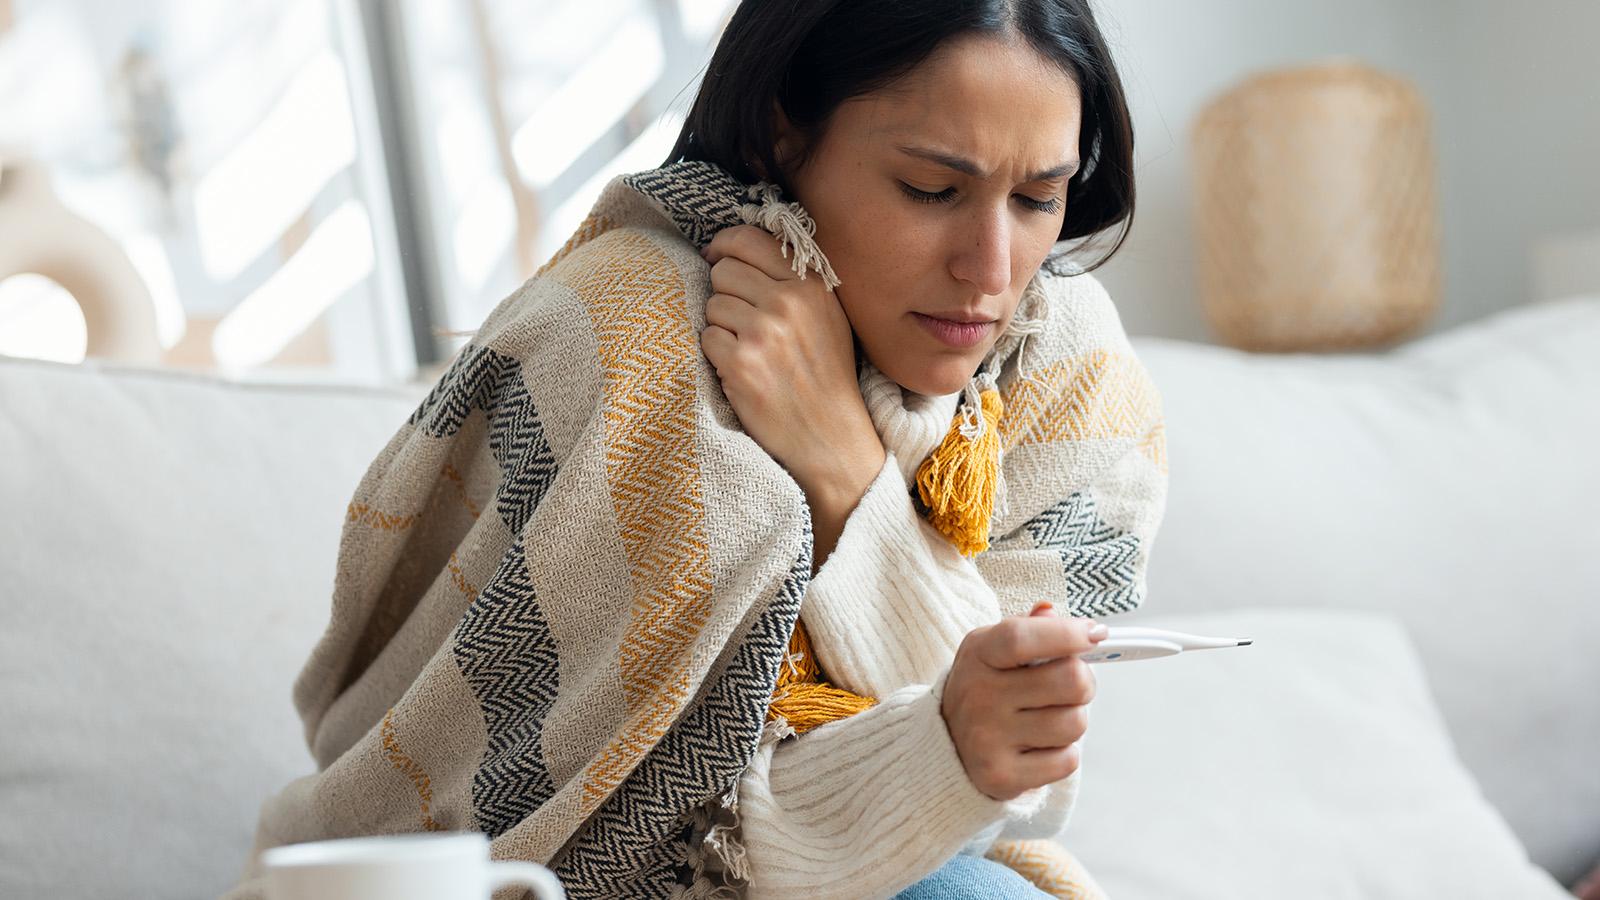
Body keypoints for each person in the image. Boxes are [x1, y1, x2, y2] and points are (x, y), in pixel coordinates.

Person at [224, 2, 1166, 898]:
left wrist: (844, 469)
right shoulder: (631, 336)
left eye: (1040, 198)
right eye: (932, 189)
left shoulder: (1063, 366)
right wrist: (944, 756)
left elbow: (1013, 784)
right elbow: (622, 845)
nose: (992, 269)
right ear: (780, 132)